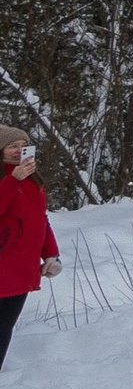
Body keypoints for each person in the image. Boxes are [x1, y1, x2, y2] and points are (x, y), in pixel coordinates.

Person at [0, 139, 58, 368]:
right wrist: (13, 179)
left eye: (23, 145)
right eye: (12, 145)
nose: (19, 150)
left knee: (5, 325)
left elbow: (39, 219)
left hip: (22, 266)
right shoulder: (12, 178)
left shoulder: (34, 181)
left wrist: (51, 254)